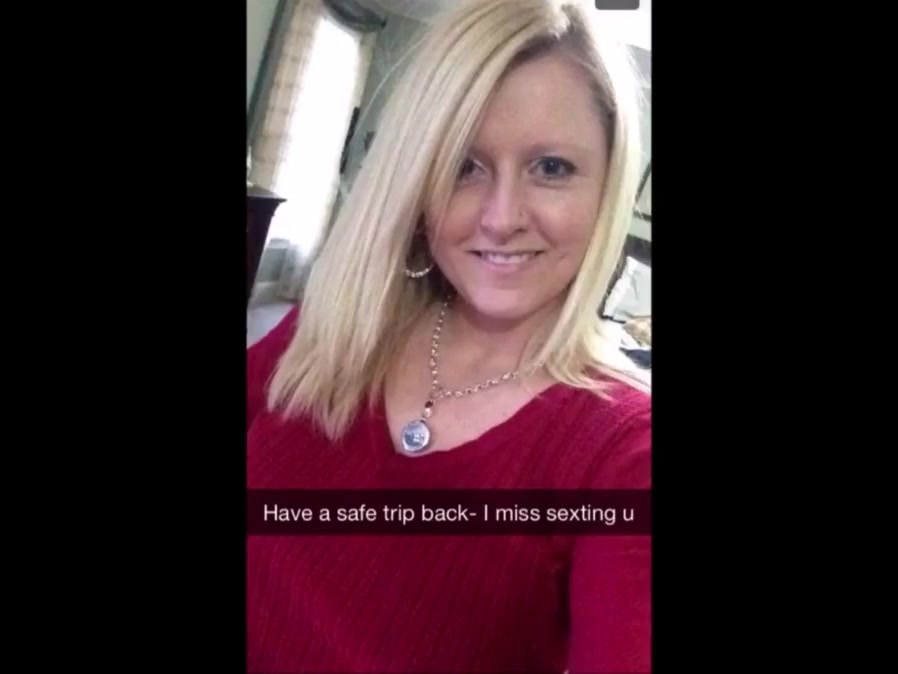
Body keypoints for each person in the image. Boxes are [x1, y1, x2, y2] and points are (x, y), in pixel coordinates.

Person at [247, 0, 651, 671]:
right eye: (465, 165)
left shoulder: (623, 455)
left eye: (551, 167)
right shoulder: (335, 326)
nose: (501, 218)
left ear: (607, 187)